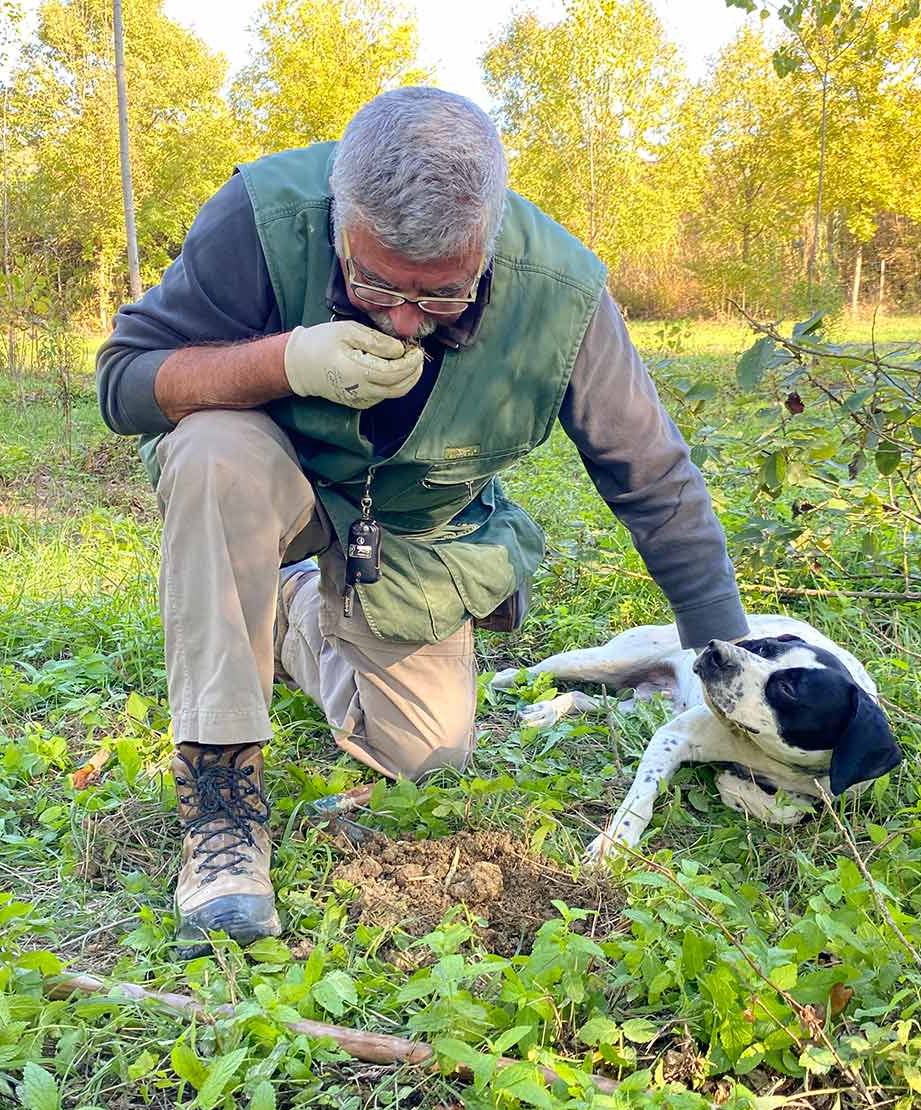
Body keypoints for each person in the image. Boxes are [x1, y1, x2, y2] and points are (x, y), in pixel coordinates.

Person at [96, 87, 749, 955]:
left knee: (428, 759)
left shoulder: (563, 295)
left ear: (488, 238)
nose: (404, 321)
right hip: (265, 483)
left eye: (441, 295)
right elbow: (124, 383)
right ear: (341, 217)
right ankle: (220, 804)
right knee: (214, 454)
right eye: (374, 285)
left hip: (410, 532)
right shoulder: (264, 217)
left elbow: (653, 479)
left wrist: (727, 667)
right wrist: (285, 361)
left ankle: (293, 615)